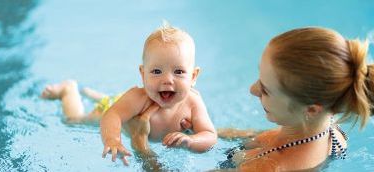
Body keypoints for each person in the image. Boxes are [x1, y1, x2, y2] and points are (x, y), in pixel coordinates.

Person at [41, 22, 217, 166]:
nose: (167, 80)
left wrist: (191, 141)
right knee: (74, 120)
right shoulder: (139, 97)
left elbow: (209, 135)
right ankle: (68, 90)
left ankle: (95, 94)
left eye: (178, 71)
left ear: (193, 76)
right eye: (156, 71)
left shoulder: (193, 102)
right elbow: (112, 115)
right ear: (142, 74)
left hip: (125, 104)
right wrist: (113, 139)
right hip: (117, 104)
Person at [218, 27, 372, 171]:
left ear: (311, 109)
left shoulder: (269, 166)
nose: (253, 90)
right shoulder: (328, 128)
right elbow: (266, 136)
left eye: (265, 90)